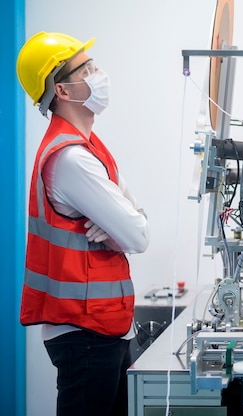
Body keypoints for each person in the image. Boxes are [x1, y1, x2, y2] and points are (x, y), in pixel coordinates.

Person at [16, 32, 150, 416]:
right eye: (87, 68)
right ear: (62, 89)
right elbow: (139, 236)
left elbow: (138, 221)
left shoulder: (91, 148)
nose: (99, 74)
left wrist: (119, 226)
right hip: (84, 334)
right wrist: (123, 227)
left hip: (101, 328)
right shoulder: (72, 160)